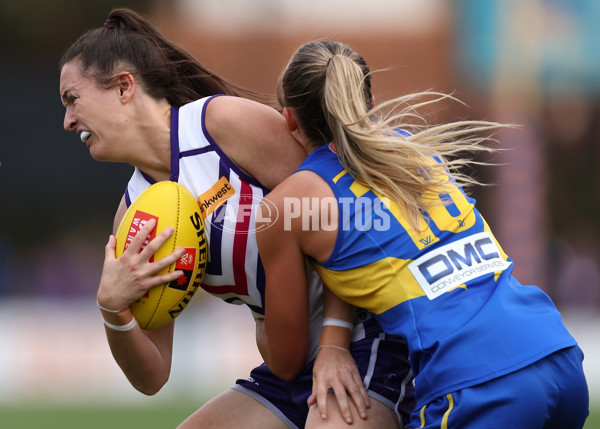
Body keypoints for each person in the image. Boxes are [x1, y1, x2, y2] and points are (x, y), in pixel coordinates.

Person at [59, 9, 415, 429]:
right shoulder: (135, 215)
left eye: (72, 99)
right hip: (292, 366)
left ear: (123, 87)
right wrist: (112, 309)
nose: (67, 122)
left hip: (366, 335)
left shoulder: (221, 125)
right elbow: (153, 375)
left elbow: (347, 213)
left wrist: (335, 341)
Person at [256, 40, 590, 428]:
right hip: (556, 353)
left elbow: (286, 360)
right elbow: (370, 247)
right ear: (369, 101)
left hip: (480, 383)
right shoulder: (418, 154)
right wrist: (335, 336)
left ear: (290, 119)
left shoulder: (288, 205)